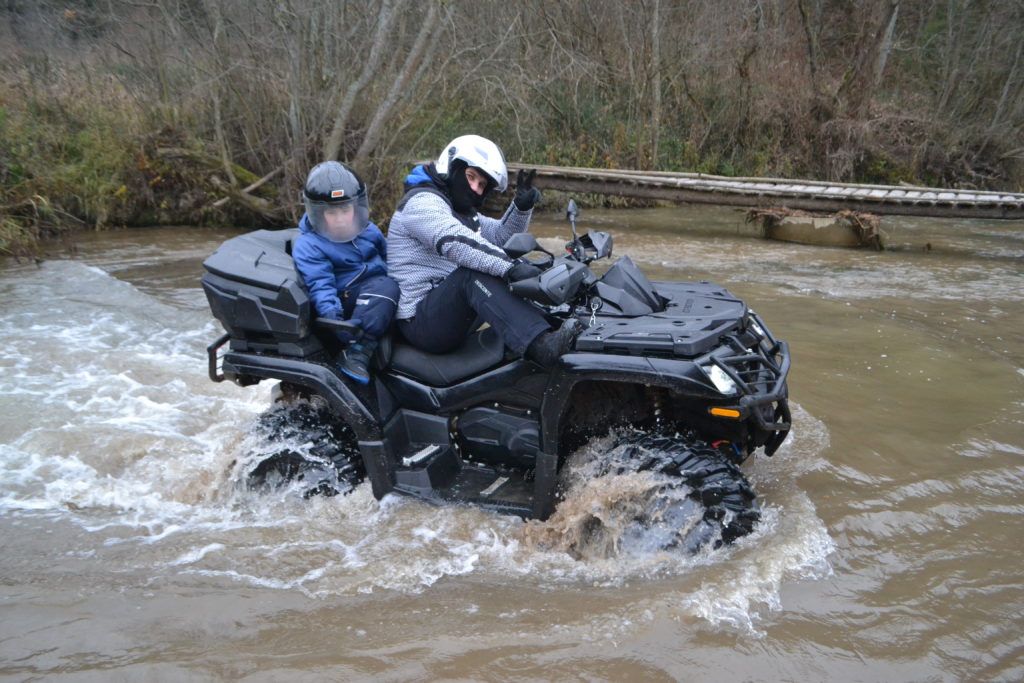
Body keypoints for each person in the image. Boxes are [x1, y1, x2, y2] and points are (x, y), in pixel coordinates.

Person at [387, 134, 579, 367]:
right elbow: (456, 242)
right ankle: (540, 346)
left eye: (482, 185)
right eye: (471, 177)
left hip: (451, 311)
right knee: (477, 271)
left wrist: (521, 208)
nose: (476, 189)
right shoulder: (421, 204)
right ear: (451, 166)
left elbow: (499, 239)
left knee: (511, 265)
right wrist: (512, 268)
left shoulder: (461, 211)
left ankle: (558, 325)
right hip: (420, 321)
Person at [292, 161, 399, 384]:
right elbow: (321, 286)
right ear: (319, 213)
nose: (340, 218)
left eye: (345, 210)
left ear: (356, 208)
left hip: (377, 293)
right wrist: (337, 325)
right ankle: (357, 352)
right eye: (332, 212)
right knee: (387, 287)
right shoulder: (309, 245)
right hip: (348, 304)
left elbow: (393, 259)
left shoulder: (369, 230)